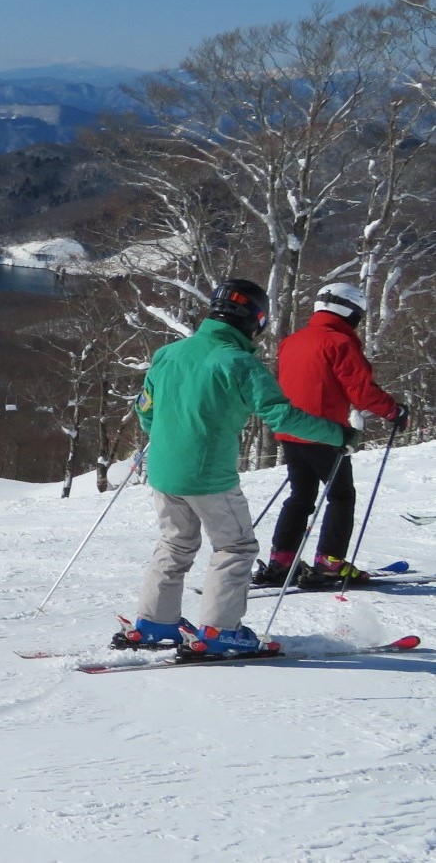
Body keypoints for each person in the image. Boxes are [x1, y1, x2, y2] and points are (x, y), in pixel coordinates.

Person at [121, 278, 354, 656]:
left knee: (175, 542)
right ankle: (220, 631)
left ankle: (154, 622)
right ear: (255, 319)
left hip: (164, 471)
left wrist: (167, 439)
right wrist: (336, 434)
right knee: (236, 547)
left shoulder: (169, 354)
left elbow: (145, 408)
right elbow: (281, 416)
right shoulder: (240, 363)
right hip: (209, 475)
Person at [258, 283, 409, 588]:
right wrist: (394, 411)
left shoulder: (292, 341)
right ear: (351, 312)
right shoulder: (339, 342)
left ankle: (281, 562)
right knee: (341, 496)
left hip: (290, 431)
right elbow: (363, 392)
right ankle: (330, 564)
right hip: (325, 433)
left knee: (300, 497)